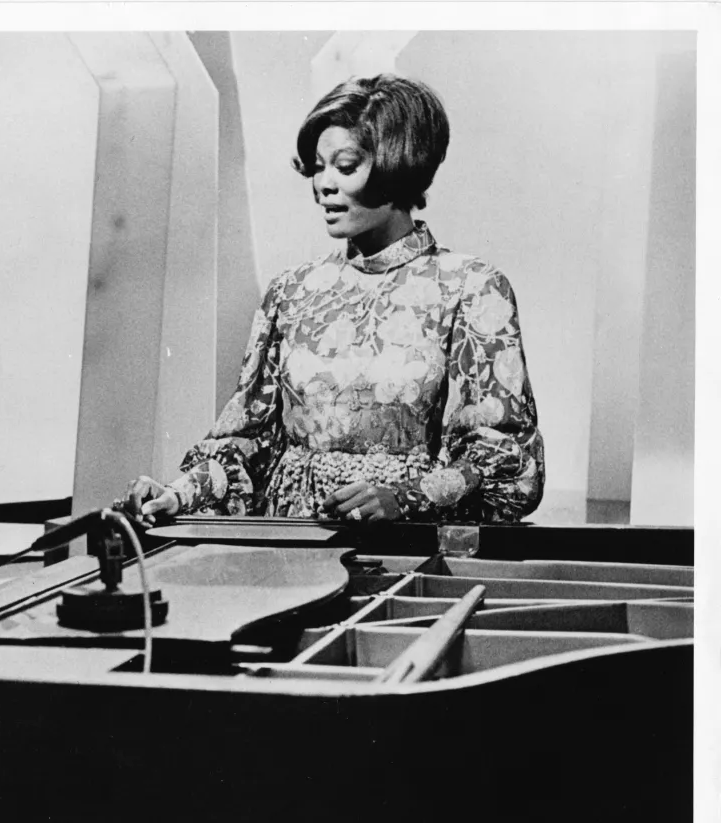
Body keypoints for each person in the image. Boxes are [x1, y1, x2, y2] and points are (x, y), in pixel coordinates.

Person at [125, 73, 543, 525]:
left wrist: (407, 497)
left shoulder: (471, 287)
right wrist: (179, 494)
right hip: (290, 539)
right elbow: (248, 443)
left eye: (345, 167)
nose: (324, 184)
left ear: (398, 165)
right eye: (317, 166)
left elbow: (506, 456)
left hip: (404, 545)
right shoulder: (292, 291)